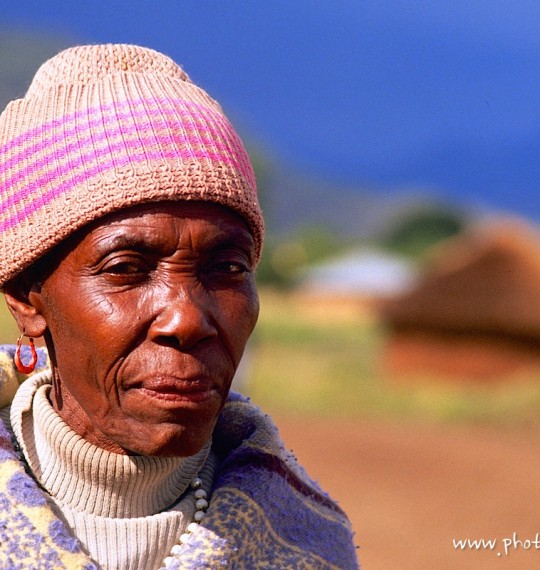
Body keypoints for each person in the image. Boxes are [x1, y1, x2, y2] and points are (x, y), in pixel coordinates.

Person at [0, 44, 358, 569]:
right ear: (26, 299)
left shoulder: (310, 546)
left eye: (228, 268)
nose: (186, 318)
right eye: (125, 268)